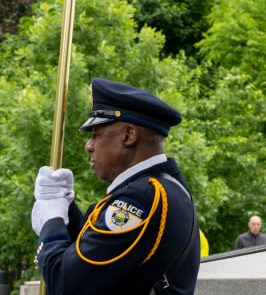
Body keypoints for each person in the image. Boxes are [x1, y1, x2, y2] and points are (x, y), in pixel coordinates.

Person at [32, 78, 200, 294]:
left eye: (96, 135)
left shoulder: (142, 198)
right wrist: (66, 209)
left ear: (128, 135)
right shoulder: (159, 188)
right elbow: (98, 256)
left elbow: (67, 284)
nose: (88, 146)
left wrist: (52, 223)